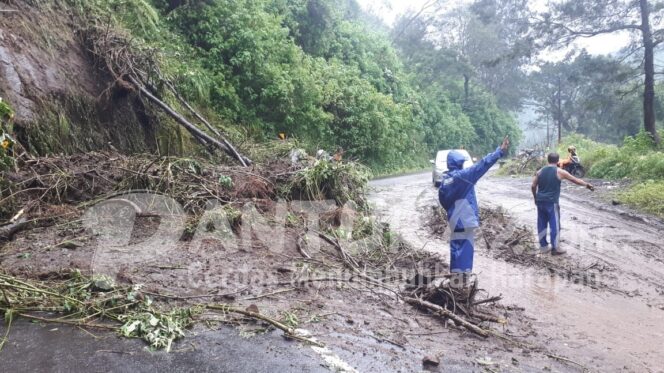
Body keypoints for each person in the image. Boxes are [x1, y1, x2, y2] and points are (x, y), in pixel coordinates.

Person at [438, 136, 510, 284]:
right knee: (465, 250)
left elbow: (443, 201)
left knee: (456, 248)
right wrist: (499, 152)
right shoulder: (463, 177)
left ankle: (455, 277)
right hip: (465, 219)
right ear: (459, 163)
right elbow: (481, 165)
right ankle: (462, 281)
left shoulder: (445, 180)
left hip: (454, 219)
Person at [532, 152, 595, 255]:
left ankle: (543, 247)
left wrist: (535, 198)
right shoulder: (559, 172)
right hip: (551, 202)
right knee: (554, 224)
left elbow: (533, 186)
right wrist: (587, 185)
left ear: (548, 160)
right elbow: (575, 180)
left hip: (540, 201)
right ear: (557, 161)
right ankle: (555, 248)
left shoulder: (539, 172)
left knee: (541, 223)